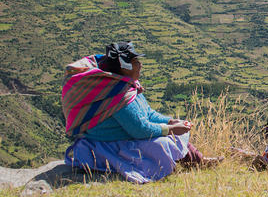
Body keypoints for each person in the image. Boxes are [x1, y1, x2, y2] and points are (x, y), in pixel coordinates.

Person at [62, 42, 222, 184]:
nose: (140, 65)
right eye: (135, 62)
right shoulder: (115, 95)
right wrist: (170, 129)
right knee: (162, 144)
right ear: (125, 67)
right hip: (108, 145)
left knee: (172, 136)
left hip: (125, 136)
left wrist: (169, 121)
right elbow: (139, 129)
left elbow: (147, 113)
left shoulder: (124, 86)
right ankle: (190, 164)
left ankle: (199, 161)